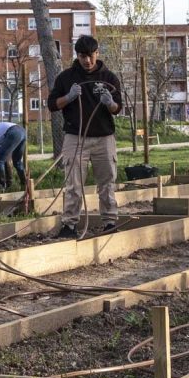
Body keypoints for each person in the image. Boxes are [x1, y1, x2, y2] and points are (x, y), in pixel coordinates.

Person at [47, 35, 125, 237]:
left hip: (104, 138)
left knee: (107, 182)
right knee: (73, 183)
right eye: (82, 57)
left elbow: (118, 108)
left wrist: (109, 103)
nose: (87, 61)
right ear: (77, 56)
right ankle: (69, 224)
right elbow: (52, 104)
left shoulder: (109, 78)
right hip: (75, 137)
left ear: (97, 53)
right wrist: (69, 97)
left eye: (90, 56)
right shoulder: (66, 78)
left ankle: (109, 222)